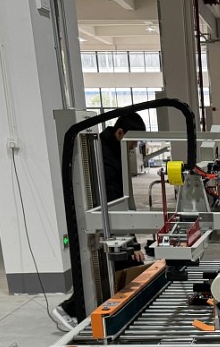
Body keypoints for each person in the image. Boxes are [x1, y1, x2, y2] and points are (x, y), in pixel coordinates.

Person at [50, 113, 147, 331]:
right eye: (132, 142)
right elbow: (113, 199)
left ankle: (101, 310)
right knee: (110, 265)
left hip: (106, 218)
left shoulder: (111, 149)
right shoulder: (104, 154)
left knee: (117, 266)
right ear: (120, 133)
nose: (134, 147)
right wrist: (131, 242)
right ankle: (68, 309)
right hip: (100, 220)